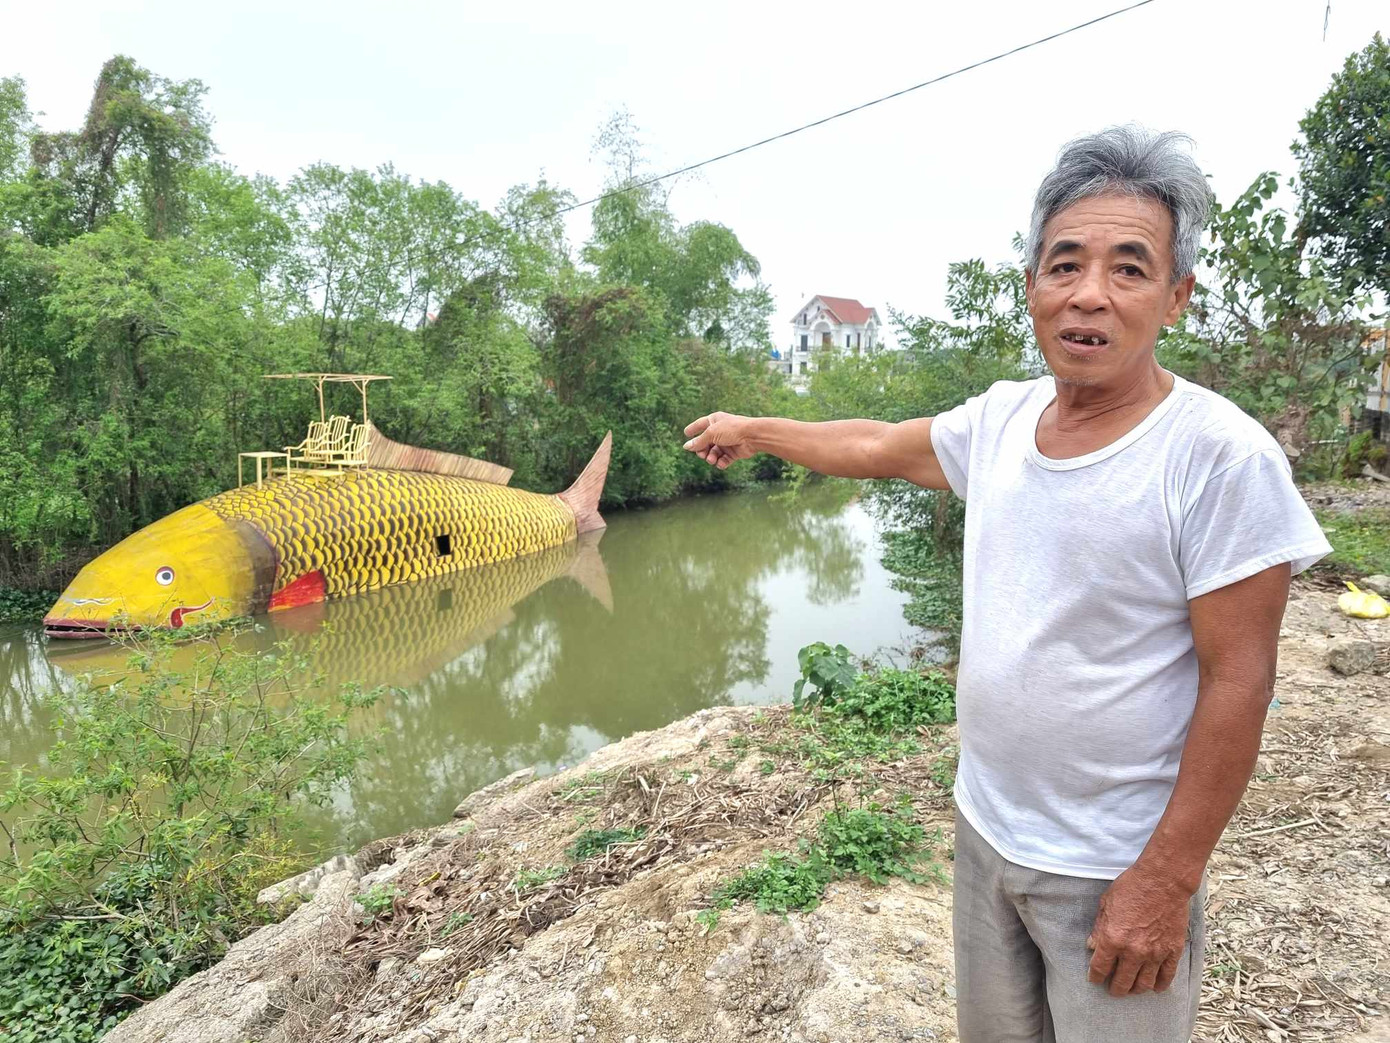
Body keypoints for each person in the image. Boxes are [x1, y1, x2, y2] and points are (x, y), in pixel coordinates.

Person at [681, 126, 1331, 1043]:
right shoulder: (1003, 419)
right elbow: (876, 443)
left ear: (1176, 296)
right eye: (1064, 264)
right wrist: (759, 427)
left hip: (1116, 865)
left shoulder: (1220, 458)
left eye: (1130, 268)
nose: (1089, 294)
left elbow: (1242, 680)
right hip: (988, 833)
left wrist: (1165, 880)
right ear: (1032, 286)